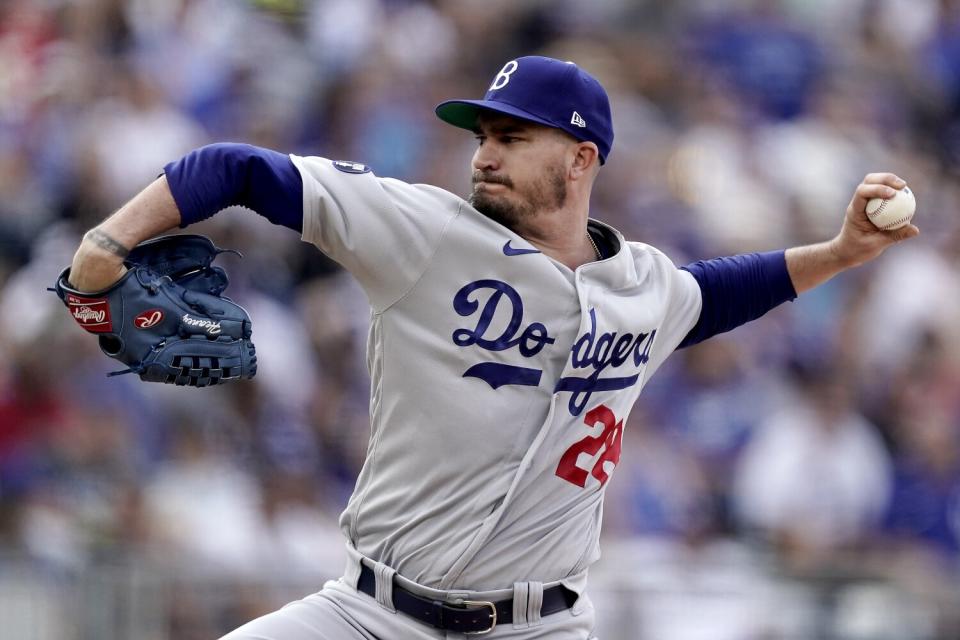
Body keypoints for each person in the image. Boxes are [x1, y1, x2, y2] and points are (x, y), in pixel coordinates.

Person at [66, 56, 919, 639]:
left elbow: (720, 293)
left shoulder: (644, 287)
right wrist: (110, 240)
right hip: (371, 617)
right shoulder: (423, 232)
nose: (484, 156)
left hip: (540, 624)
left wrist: (840, 254)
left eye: (512, 138)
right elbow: (237, 167)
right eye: (481, 137)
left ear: (582, 158)